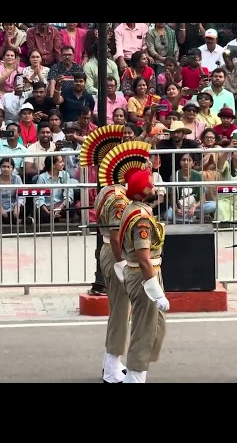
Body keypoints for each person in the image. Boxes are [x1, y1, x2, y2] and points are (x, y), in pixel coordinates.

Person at [79, 125, 140, 383]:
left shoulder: (109, 190)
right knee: (120, 312)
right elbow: (116, 235)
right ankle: (113, 366)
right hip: (115, 252)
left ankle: (111, 362)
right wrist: (122, 264)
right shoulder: (117, 196)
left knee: (119, 310)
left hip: (109, 249)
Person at [117, 163, 170, 383]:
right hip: (143, 276)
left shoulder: (136, 209)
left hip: (141, 273)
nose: (155, 188)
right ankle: (135, 379)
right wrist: (155, 290)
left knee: (151, 328)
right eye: (152, 186)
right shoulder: (141, 219)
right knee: (144, 331)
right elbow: (143, 257)